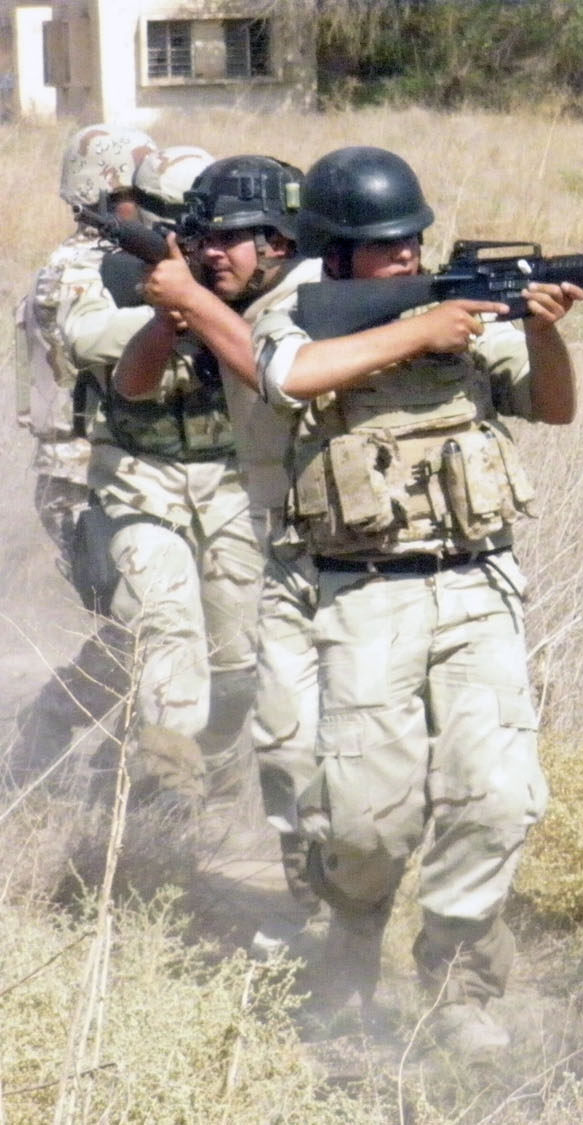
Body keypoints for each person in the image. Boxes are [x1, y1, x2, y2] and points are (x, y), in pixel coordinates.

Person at [251, 146, 583, 1057]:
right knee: (365, 822)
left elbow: (552, 407)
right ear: (336, 254)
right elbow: (287, 377)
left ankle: (458, 984)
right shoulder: (293, 310)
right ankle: (350, 936)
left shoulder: (465, 310)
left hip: (477, 583)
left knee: (500, 798)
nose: (403, 258)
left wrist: (545, 328)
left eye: (412, 242)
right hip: (361, 596)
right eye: (382, 247)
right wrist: (420, 329)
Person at [122, 153, 323, 942]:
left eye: (233, 238)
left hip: (347, 556)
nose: (213, 253)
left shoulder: (314, 299)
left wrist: (200, 309)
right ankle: (322, 917)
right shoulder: (220, 299)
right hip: (288, 555)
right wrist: (171, 312)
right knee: (289, 745)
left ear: (279, 239)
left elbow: (282, 375)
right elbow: (135, 384)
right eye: (204, 237)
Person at [56, 142, 263, 817]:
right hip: (136, 481)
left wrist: (212, 304)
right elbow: (85, 339)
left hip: (231, 485)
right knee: (167, 620)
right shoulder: (101, 271)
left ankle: (205, 780)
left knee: (237, 655)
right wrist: (169, 310)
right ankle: (167, 788)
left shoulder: (247, 278)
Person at [10, 124, 158, 786]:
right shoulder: (80, 275)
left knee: (149, 626)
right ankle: (59, 730)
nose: (149, 206)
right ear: (99, 194)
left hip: (109, 473)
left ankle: (121, 760)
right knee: (142, 625)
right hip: (83, 478)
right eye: (134, 195)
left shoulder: (111, 267)